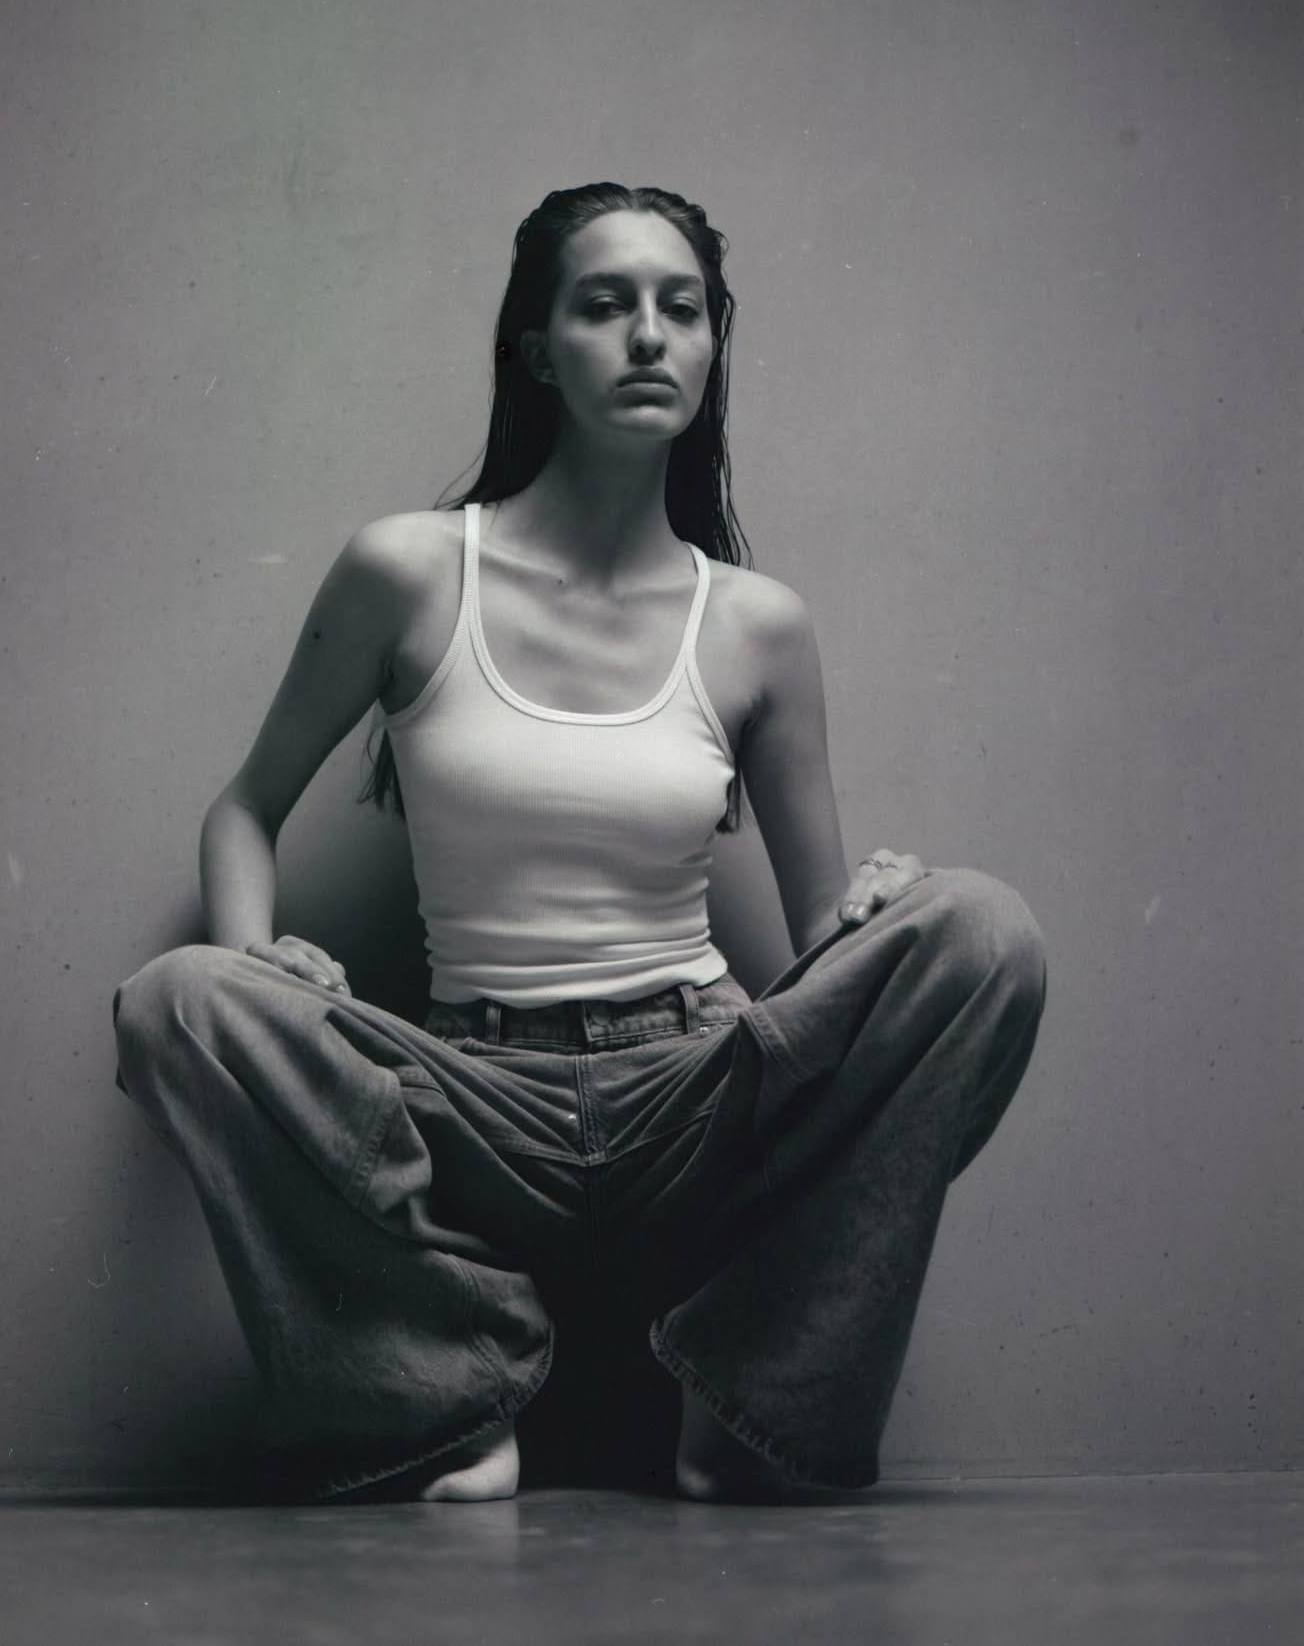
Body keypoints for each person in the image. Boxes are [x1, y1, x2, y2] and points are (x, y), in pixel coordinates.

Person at [112, 183, 1046, 1504]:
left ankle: (751, 1408)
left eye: (682, 308)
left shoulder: (758, 624)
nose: (649, 336)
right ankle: (445, 1398)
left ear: (716, 344)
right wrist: (256, 957)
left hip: (691, 1089)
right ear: (539, 348)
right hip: (467, 1101)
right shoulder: (410, 570)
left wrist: (885, 919)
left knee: (984, 929)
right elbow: (242, 809)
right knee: (182, 1002)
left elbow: (822, 937)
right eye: (605, 305)